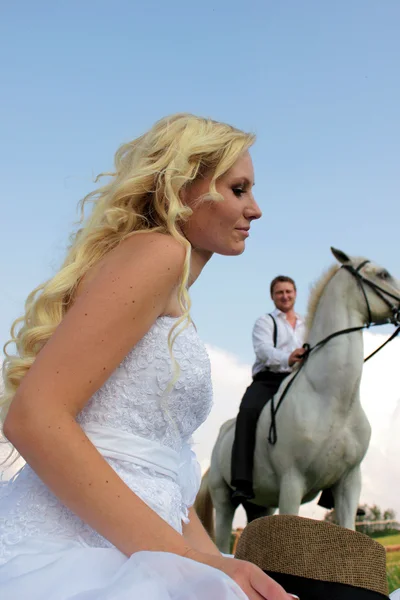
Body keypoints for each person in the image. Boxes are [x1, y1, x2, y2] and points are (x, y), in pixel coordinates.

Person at [0, 114, 293, 600]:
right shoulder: (160, 253)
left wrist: (216, 563)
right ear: (184, 188)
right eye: (239, 189)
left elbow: (166, 475)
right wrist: (183, 565)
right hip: (81, 546)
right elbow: (34, 416)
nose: (256, 209)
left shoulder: (172, 291)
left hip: (142, 538)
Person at [231, 276, 306, 504]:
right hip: (269, 379)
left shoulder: (307, 323)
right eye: (279, 292)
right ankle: (242, 482)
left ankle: (332, 487)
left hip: (298, 379)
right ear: (272, 296)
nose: (285, 296)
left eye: (288, 291)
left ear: (295, 293)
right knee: (247, 412)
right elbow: (263, 351)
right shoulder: (265, 322)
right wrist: (288, 357)